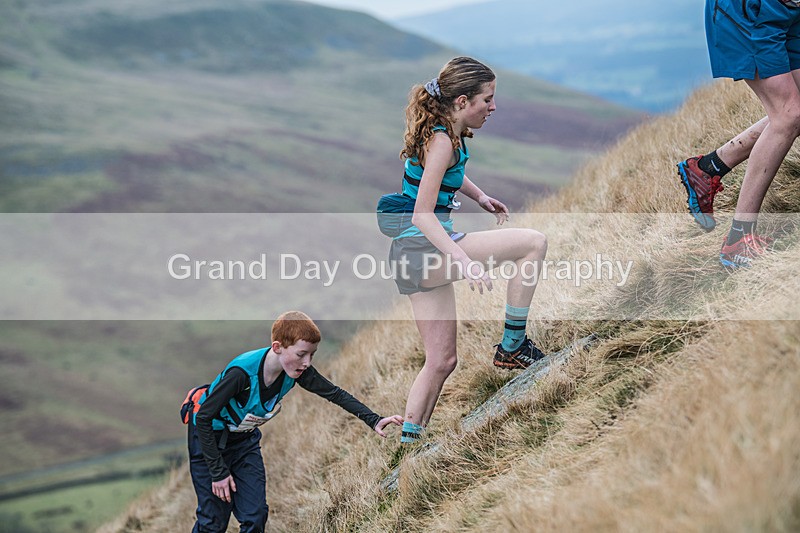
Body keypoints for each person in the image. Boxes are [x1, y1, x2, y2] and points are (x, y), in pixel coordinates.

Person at [389, 57, 548, 444]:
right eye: (487, 100)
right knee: (533, 243)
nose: (493, 107)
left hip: (410, 257)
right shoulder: (442, 140)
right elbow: (423, 214)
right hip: (424, 251)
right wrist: (463, 261)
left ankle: (408, 446)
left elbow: (445, 175)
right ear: (462, 102)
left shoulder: (445, 132)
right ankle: (512, 346)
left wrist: (479, 196)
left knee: (442, 361)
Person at [186, 311, 403, 532]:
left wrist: (374, 420)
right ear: (278, 347)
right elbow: (203, 417)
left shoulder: (297, 371)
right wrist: (218, 472)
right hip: (209, 441)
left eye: (312, 354)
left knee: (255, 516)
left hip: (244, 442)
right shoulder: (241, 374)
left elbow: (335, 394)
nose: (307, 362)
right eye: (301, 354)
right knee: (213, 523)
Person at [677, 0, 800, 268]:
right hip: (752, 11)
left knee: (793, 111)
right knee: (788, 114)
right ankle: (739, 240)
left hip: (788, 10)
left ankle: (708, 168)